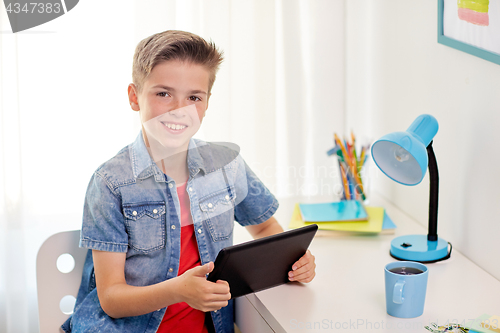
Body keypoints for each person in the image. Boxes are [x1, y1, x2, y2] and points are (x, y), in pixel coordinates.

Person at [62, 30, 316, 333]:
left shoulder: (226, 164)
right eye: (163, 94)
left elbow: (265, 228)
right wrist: (177, 291)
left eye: (194, 97)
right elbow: (111, 298)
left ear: (206, 104)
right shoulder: (109, 183)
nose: (179, 110)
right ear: (134, 97)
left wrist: (293, 262)